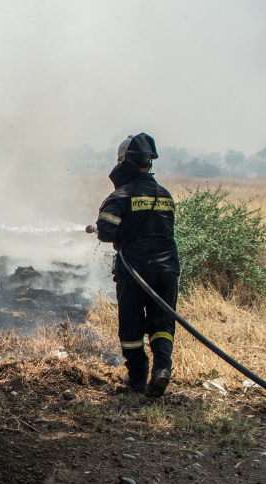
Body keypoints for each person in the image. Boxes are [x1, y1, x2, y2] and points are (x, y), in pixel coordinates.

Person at [94, 133, 179, 397]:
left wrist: (106, 229)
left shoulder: (120, 195)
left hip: (134, 271)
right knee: (162, 322)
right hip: (167, 271)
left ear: (125, 163)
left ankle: (138, 378)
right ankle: (162, 367)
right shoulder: (164, 194)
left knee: (131, 325)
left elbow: (106, 232)